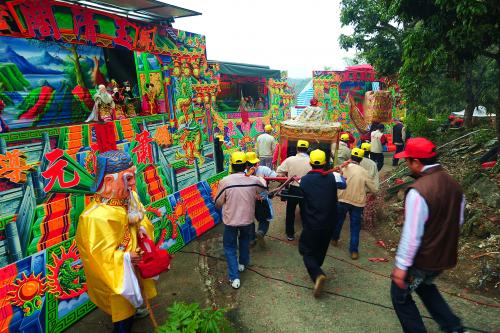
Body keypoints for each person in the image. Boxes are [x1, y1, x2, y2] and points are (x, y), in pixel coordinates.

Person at [390, 137, 466, 333]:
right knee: (425, 286)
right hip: (444, 255)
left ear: (416, 162)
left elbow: (412, 234)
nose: (407, 164)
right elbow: (458, 221)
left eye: (408, 160)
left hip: (423, 259)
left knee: (400, 295)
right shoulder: (454, 185)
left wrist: (401, 266)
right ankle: (453, 327)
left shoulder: (419, 191)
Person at [76, 150, 156, 333]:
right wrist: (126, 258)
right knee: (122, 314)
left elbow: (144, 222)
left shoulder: (131, 198)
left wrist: (142, 227)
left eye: (133, 176)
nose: (134, 183)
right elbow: (98, 258)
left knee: (135, 299)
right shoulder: (94, 218)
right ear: (109, 182)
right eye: (127, 179)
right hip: (118, 274)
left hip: (137, 264)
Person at [215, 152, 267, 289]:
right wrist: (258, 177)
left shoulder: (225, 181)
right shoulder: (253, 180)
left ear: (231, 165)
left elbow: (218, 203)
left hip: (230, 221)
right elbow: (264, 189)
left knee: (230, 247)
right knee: (244, 241)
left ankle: (234, 277)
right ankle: (242, 264)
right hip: (247, 220)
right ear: (245, 165)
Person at [298, 149, 344, 297]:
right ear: (325, 163)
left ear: (310, 163)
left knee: (306, 251)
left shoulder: (304, 180)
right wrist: (340, 174)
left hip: (312, 223)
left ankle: (317, 274)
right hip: (330, 223)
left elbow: (302, 197)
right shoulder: (333, 176)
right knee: (321, 249)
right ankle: (317, 270)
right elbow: (344, 185)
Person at [331, 148, 377, 259]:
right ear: (361, 159)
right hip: (358, 202)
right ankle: (354, 251)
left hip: (342, 199)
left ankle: (334, 239)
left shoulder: (343, 167)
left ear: (351, 156)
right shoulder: (364, 172)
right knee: (355, 227)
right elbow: (374, 189)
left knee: (339, 221)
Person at [276, 140, 312, 241]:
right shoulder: (311, 160)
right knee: (305, 212)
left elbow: (279, 172)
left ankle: (290, 234)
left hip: (293, 189)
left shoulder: (290, 159)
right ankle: (306, 234)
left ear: (297, 148)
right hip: (306, 190)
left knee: (290, 212)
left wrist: (286, 176)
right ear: (307, 149)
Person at [246, 151, 277, 248]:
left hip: (247, 200)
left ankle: (251, 239)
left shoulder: (242, 172)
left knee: (250, 220)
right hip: (261, 200)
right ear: (257, 163)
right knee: (264, 220)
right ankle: (261, 232)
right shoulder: (263, 169)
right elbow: (276, 177)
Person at [359, 143, 380, 230]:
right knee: (367, 208)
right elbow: (375, 178)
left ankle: (358, 221)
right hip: (367, 190)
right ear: (369, 152)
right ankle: (366, 224)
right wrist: (375, 190)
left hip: (357, 188)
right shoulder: (372, 164)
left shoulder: (357, 161)